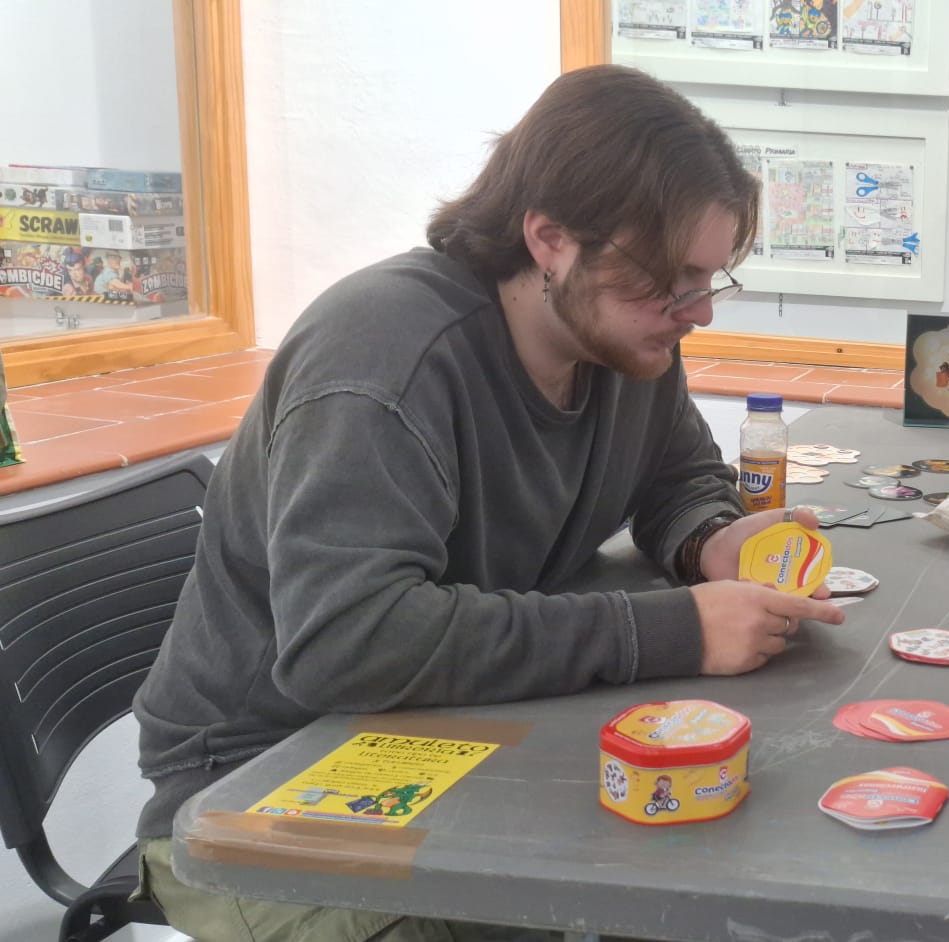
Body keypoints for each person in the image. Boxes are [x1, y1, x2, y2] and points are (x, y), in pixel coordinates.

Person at [130, 65, 845, 941]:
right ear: (548, 237)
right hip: (259, 783)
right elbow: (346, 646)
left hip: (448, 724)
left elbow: (675, 474)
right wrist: (675, 629)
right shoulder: (383, 357)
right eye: (671, 280)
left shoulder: (625, 340)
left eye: (709, 279)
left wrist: (710, 539)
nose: (696, 313)